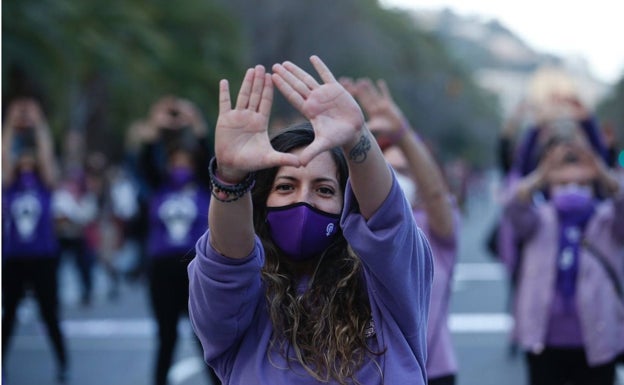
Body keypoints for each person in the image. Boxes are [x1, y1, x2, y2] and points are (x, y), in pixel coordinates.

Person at [188, 56, 433, 384]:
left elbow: (388, 225)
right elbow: (225, 266)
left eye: (324, 189)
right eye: (286, 186)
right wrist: (229, 177)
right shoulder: (241, 308)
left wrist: (356, 136)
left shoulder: (389, 290)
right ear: (263, 201)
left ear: (348, 206)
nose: (303, 199)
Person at [344, 77, 460, 385]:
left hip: (434, 372)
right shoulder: (353, 229)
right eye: (389, 171)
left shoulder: (433, 226)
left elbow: (436, 193)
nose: (396, 183)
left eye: (405, 173)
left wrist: (402, 134)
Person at [502, 132, 624, 385]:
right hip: (544, 340)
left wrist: (602, 173)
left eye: (581, 183)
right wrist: (541, 175)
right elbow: (512, 205)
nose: (572, 189)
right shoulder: (539, 219)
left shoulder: (607, 220)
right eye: (563, 183)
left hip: (599, 341)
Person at [136, 97, 220, 385]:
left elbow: (209, 156)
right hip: (161, 269)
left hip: (195, 268)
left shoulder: (202, 186)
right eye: (175, 161)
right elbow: (145, 157)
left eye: (185, 161)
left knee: (203, 337)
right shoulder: (158, 186)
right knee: (166, 337)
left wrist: (193, 119)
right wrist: (156, 122)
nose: (179, 166)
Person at [2, 97, 69, 382]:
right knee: (8, 317)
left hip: (43, 257)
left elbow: (47, 158)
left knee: (49, 314)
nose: (28, 164)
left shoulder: (45, 186)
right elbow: (4, 158)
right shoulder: (9, 187)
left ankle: (63, 364)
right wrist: (10, 123)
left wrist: (39, 123)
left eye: (33, 161)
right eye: (23, 160)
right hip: (14, 258)